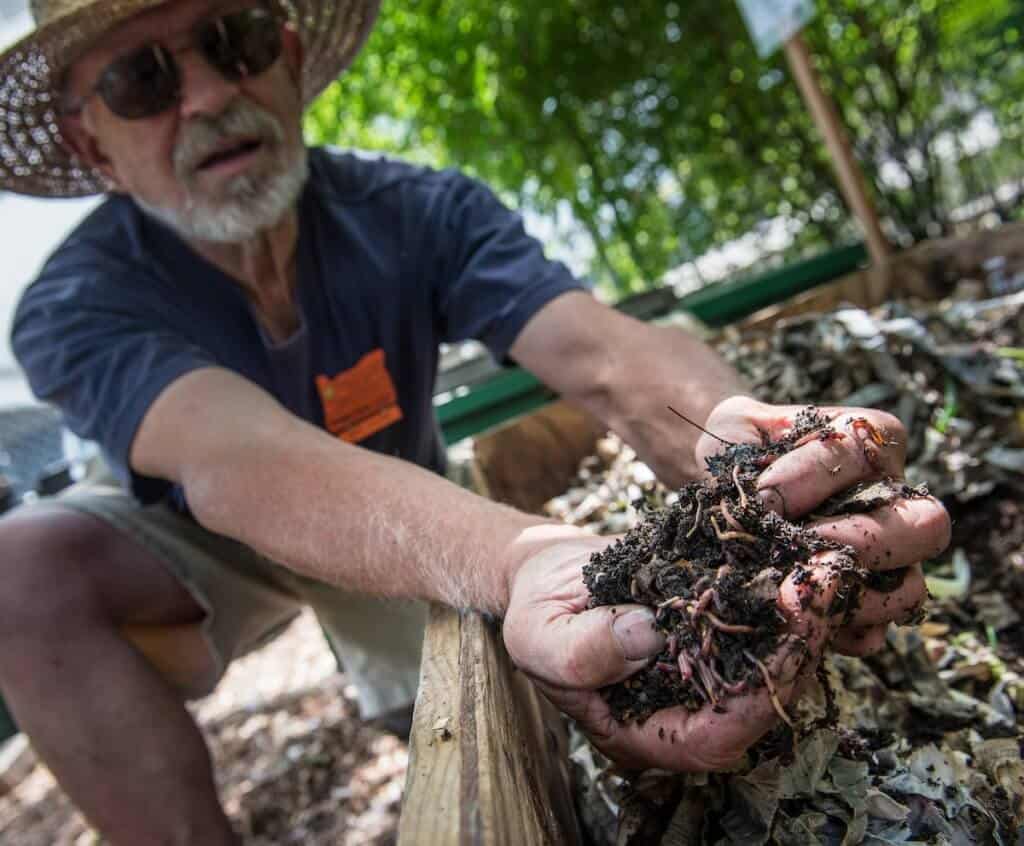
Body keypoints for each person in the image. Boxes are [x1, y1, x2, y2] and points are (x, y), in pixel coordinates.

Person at [0, 0, 950, 842]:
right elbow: (232, 454)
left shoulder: (417, 212)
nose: (207, 95)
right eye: (141, 79)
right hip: (200, 535)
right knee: (19, 571)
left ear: (287, 52)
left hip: (396, 502)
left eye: (234, 39)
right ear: (91, 146)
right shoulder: (76, 303)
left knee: (445, 716)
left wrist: (738, 442)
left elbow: (599, 352)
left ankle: (398, 680)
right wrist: (517, 554)